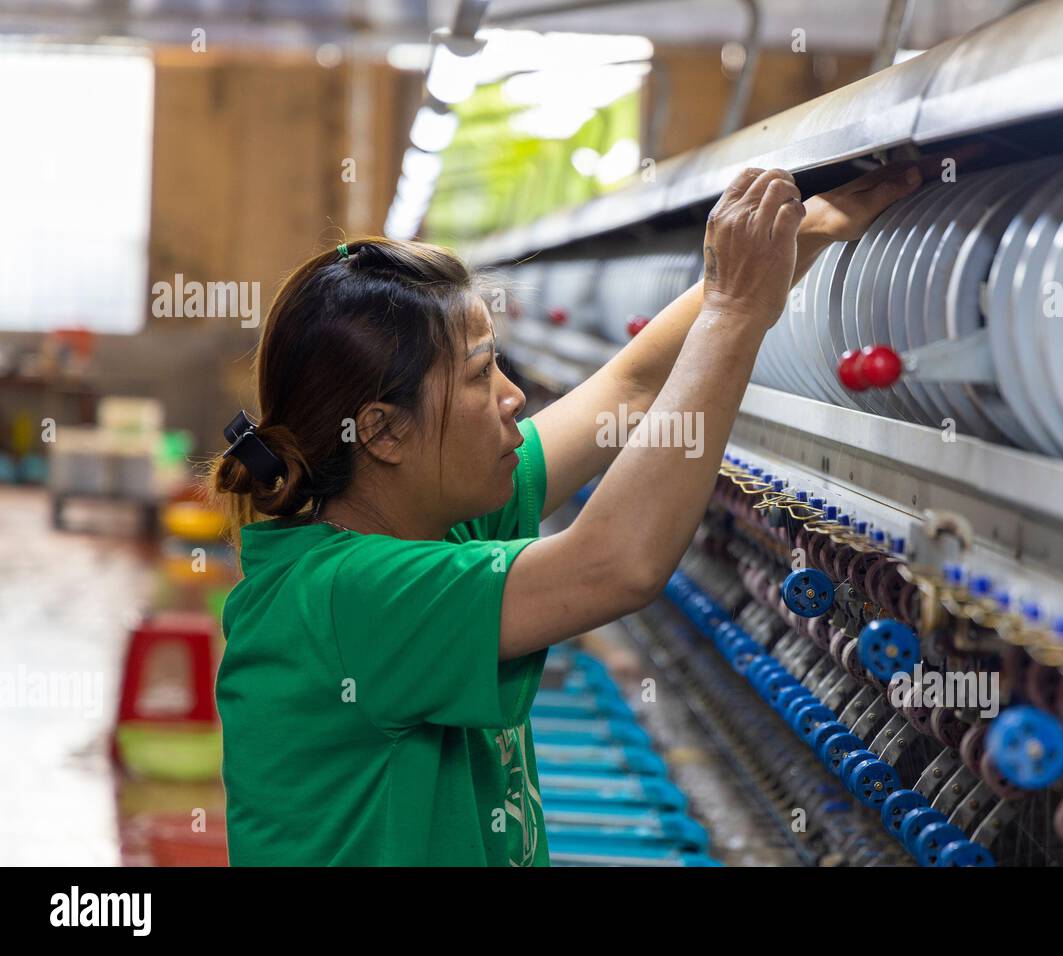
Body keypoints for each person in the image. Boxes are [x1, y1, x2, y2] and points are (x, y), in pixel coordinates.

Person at [210, 162, 924, 866]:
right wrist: (736, 315)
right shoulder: (345, 600)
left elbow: (634, 385)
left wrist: (808, 234)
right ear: (384, 432)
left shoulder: (439, 518)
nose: (513, 394)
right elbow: (617, 564)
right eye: (482, 373)